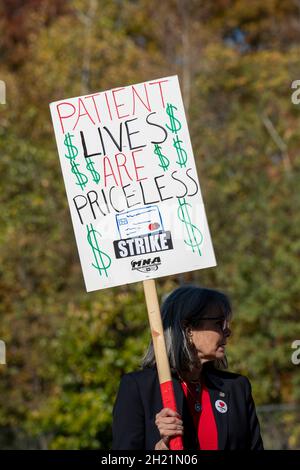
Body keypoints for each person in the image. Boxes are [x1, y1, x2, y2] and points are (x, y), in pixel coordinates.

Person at [112, 285, 264, 450]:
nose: (228, 331)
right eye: (219, 323)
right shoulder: (139, 388)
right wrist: (161, 449)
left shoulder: (237, 388)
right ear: (188, 329)